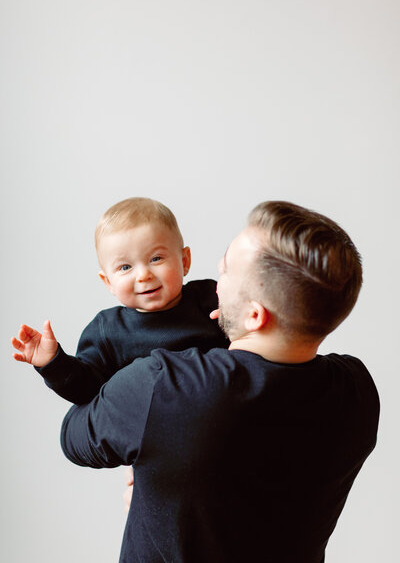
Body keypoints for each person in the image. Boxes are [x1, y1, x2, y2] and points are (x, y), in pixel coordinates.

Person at [60, 201, 379, 563]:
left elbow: (74, 435)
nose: (215, 274)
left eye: (226, 270)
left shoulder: (162, 385)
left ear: (255, 314)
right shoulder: (358, 391)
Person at [11, 197, 229, 404]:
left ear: (184, 260)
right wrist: (53, 362)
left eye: (156, 258)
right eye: (125, 267)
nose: (143, 275)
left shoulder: (210, 297)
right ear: (108, 282)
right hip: (154, 430)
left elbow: (253, 337)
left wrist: (237, 320)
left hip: (220, 408)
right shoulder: (106, 330)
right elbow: (86, 390)